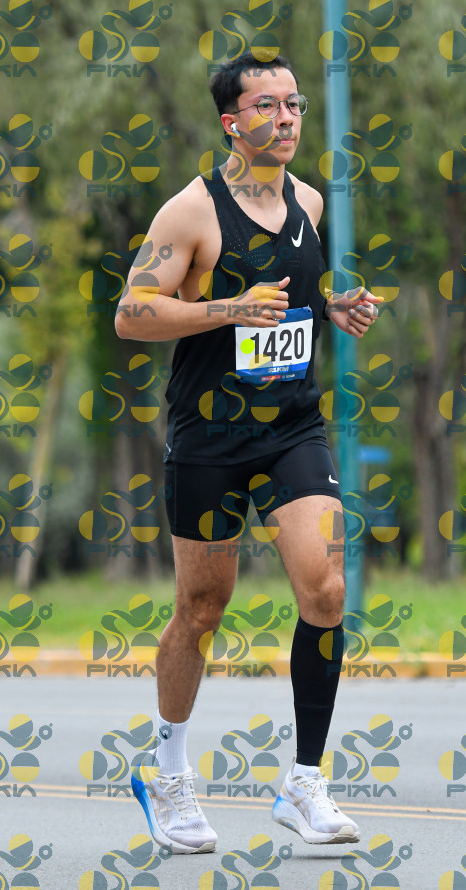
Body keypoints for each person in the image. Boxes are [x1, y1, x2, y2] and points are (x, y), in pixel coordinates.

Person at [116, 51, 382, 854]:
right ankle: (169, 775)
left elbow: (289, 292)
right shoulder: (189, 212)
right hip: (209, 433)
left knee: (326, 588)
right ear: (233, 122)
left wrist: (330, 307)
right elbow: (132, 313)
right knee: (203, 607)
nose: (288, 117)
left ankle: (304, 782)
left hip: (292, 427)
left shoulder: (309, 199)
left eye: (294, 103)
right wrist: (227, 308)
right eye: (269, 106)